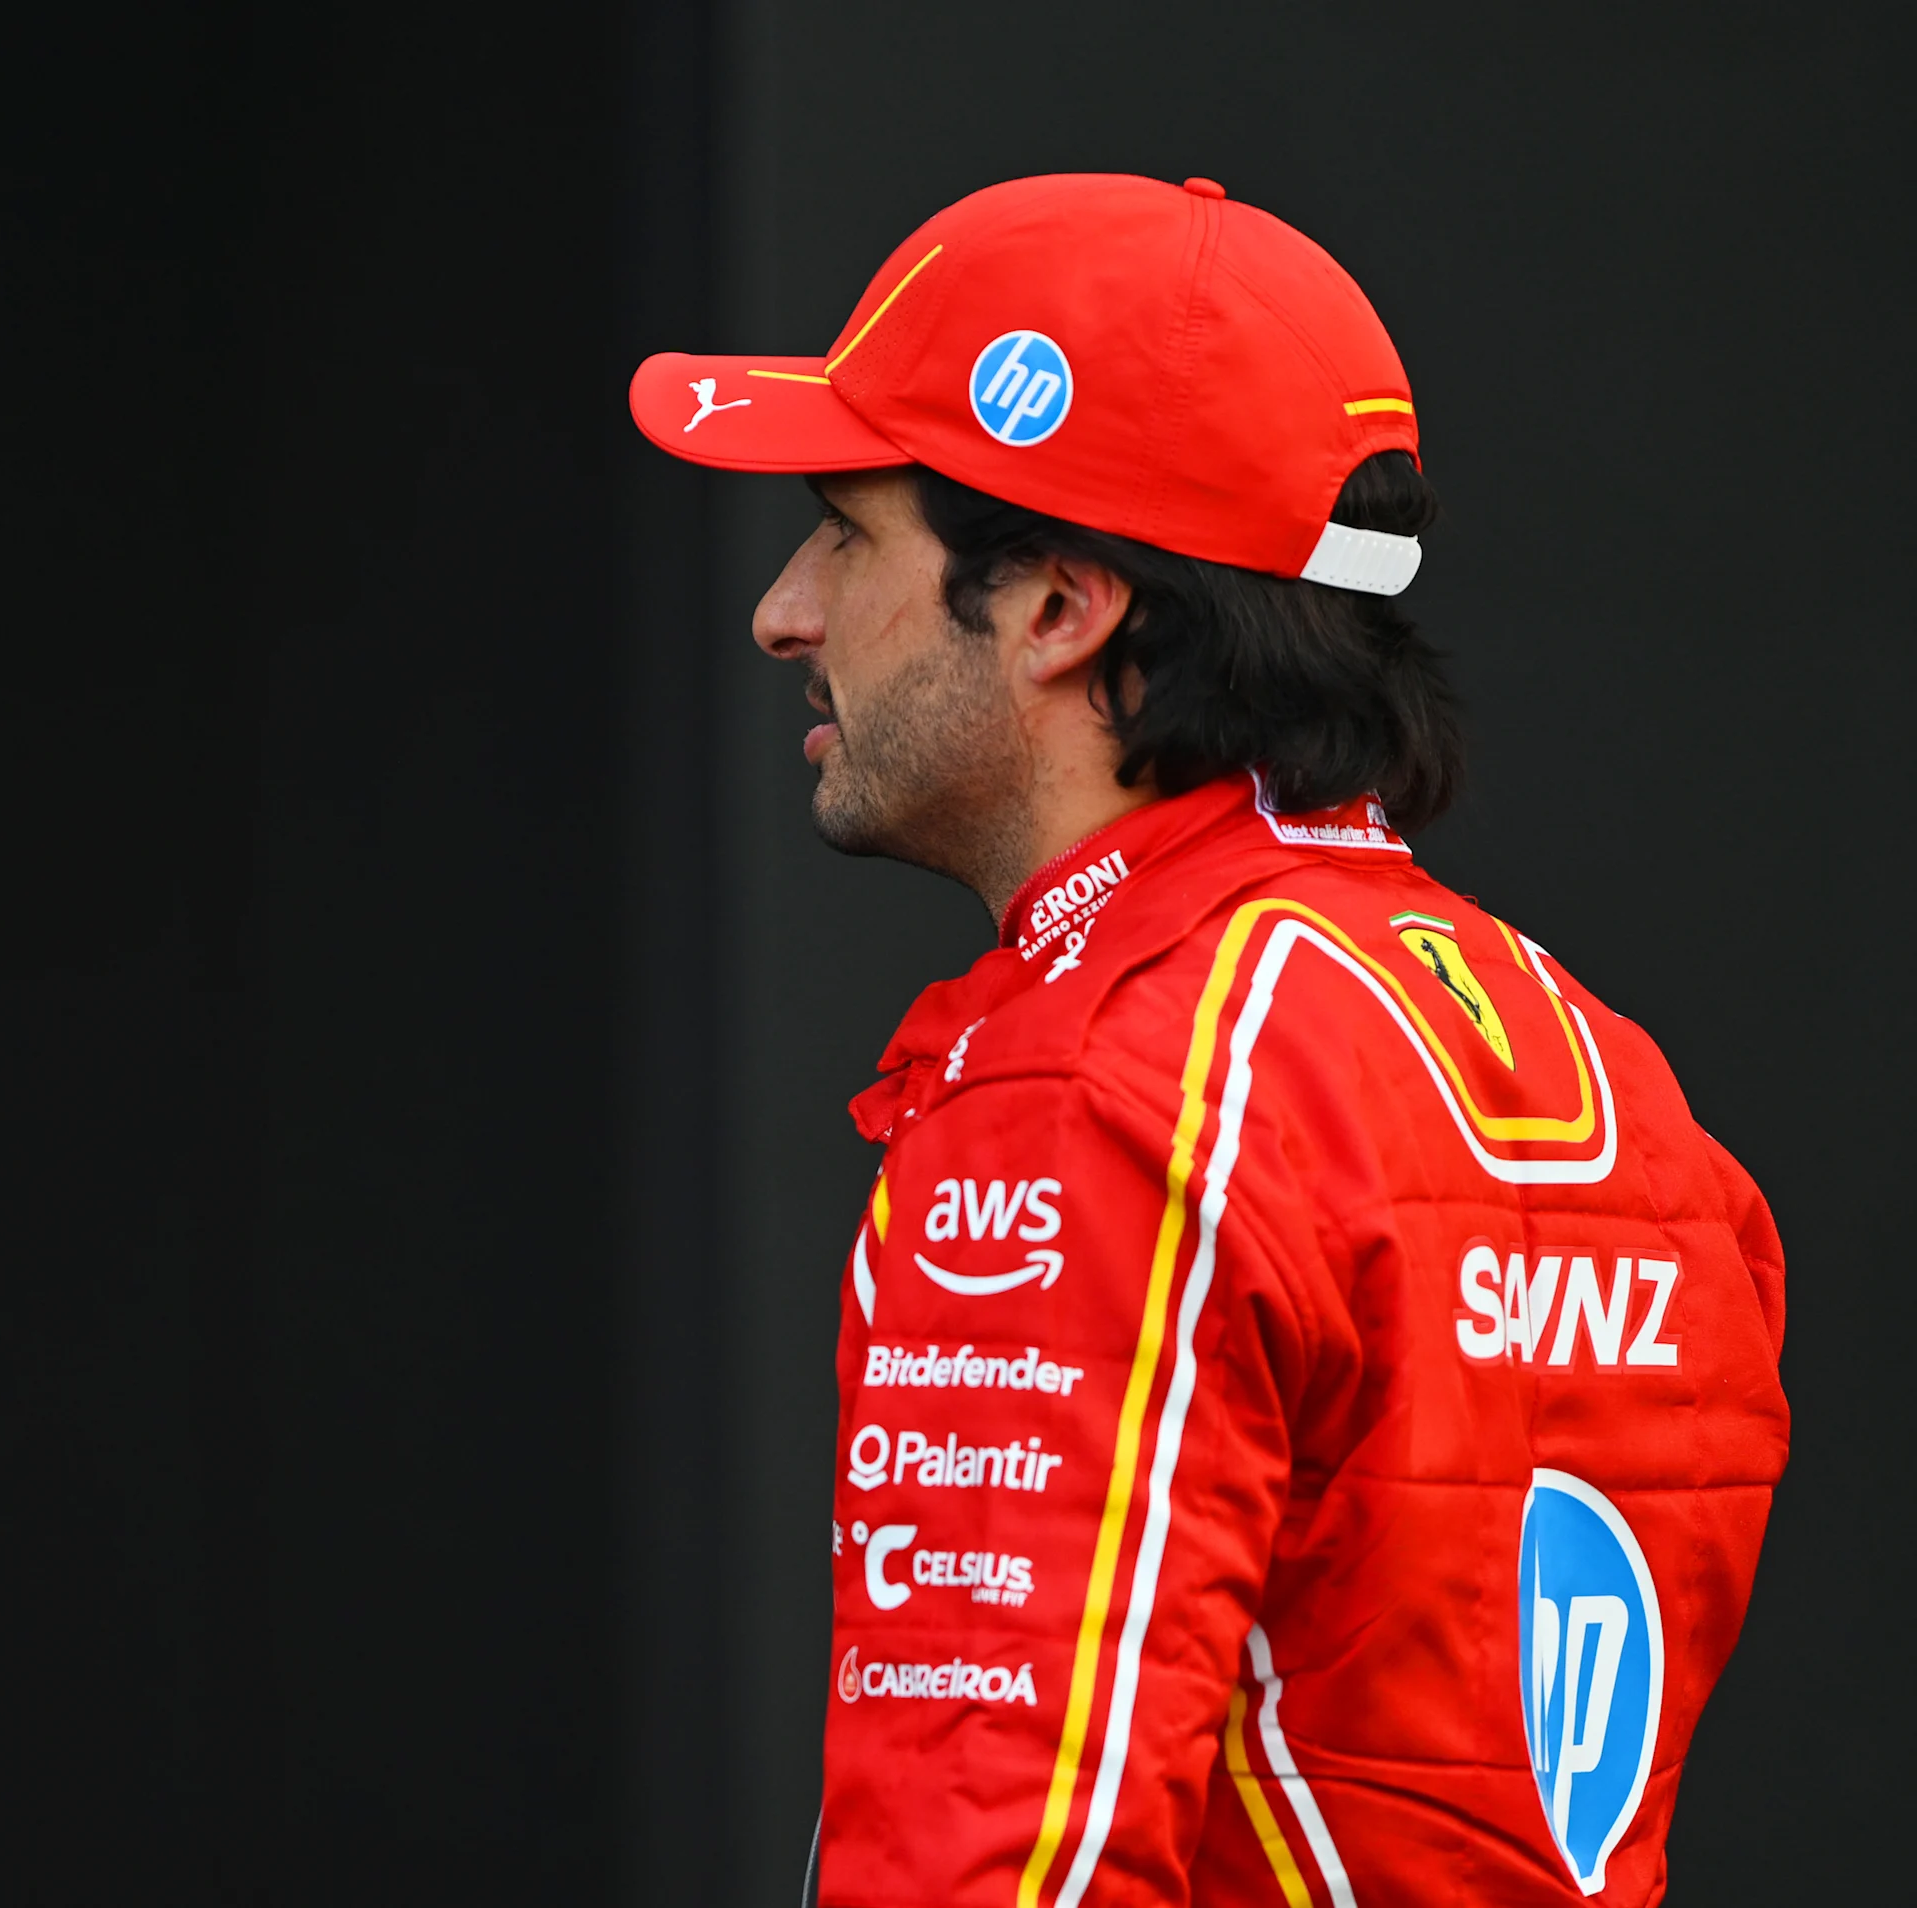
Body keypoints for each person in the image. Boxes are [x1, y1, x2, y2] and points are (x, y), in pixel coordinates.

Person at [629, 175, 1786, 1906]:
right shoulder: (1616, 1081)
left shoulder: (1093, 1085)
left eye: (846, 530)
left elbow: (1001, 1854)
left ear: (1060, 611)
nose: (783, 611)